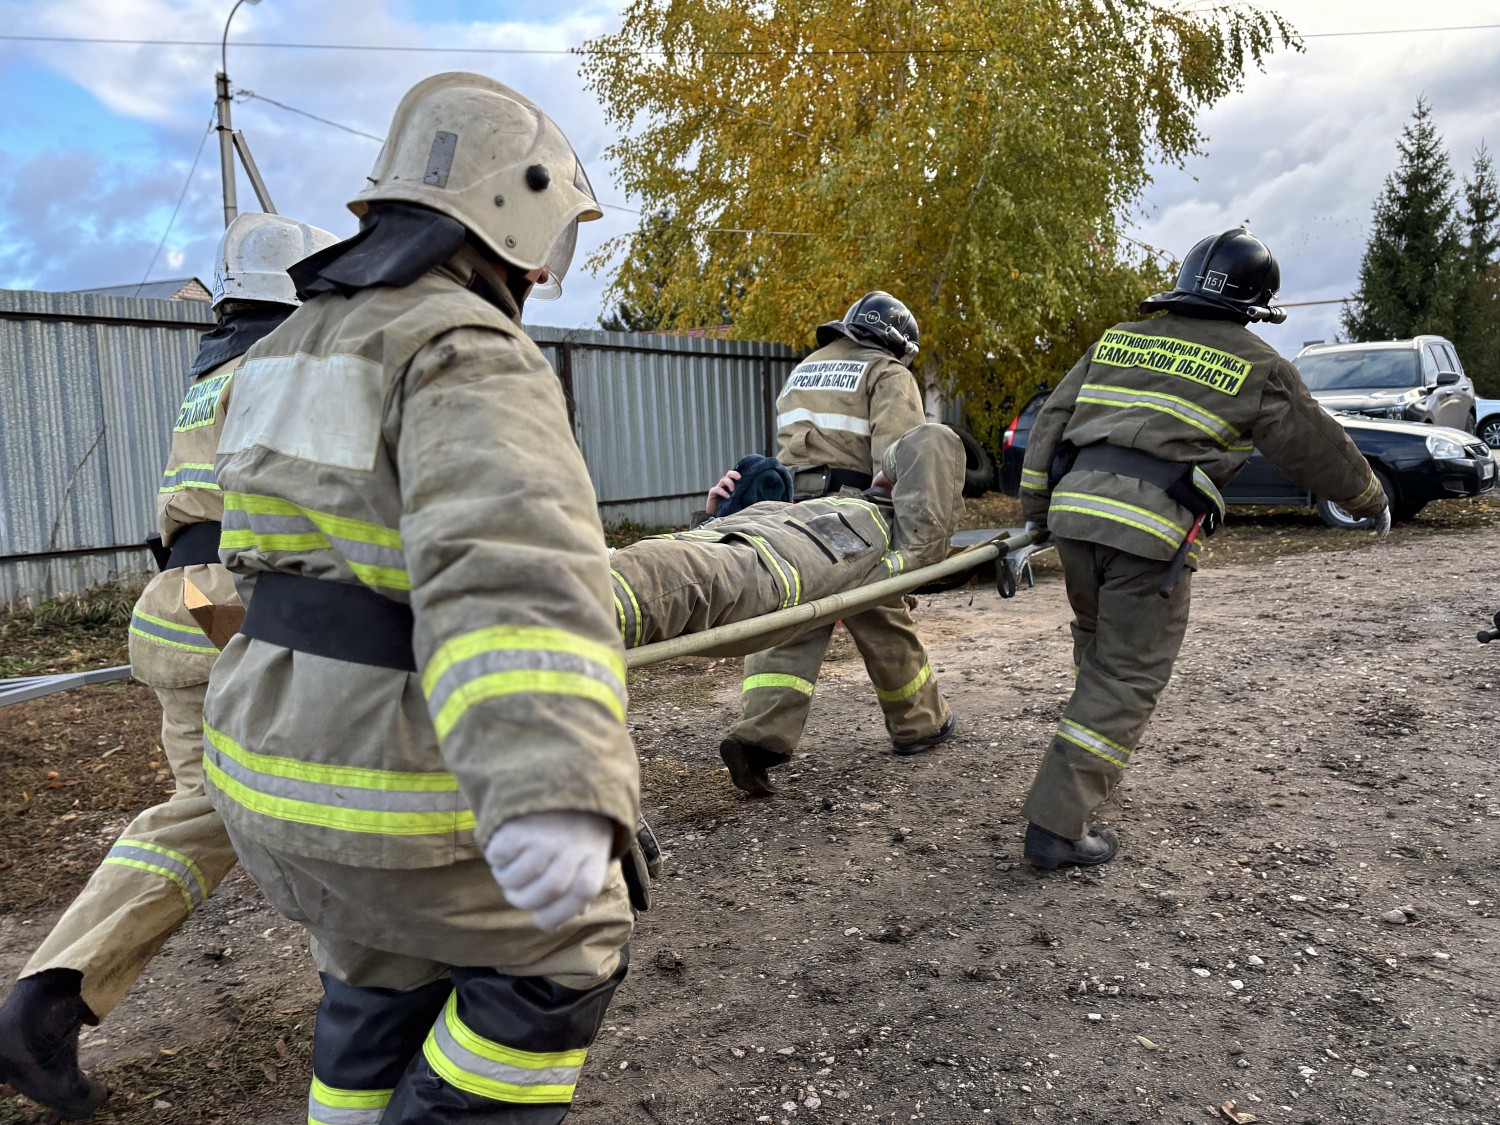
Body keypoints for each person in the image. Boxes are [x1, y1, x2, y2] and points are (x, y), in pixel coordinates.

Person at [200, 73, 639, 1123]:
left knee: (382, 970)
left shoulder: (287, 343)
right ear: (516, 202)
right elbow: (505, 562)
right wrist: (552, 783)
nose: (544, 271)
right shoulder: (463, 345)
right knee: (569, 949)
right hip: (395, 786)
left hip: (269, 767)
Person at [0, 212, 337, 1119]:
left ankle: (47, 1001)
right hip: (240, 594)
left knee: (214, 813)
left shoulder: (213, 363)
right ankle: (377, 994)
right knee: (331, 781)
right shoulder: (283, 362)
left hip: (182, 598)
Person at [1017, 228, 1390, 870]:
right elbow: (1314, 444)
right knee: (1127, 672)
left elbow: (1051, 421)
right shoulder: (1258, 363)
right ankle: (1057, 823)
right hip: (1150, 532)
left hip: (1076, 518)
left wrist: (1036, 517)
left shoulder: (1119, 339)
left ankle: (1092, 764)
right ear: (1256, 302)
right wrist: (1368, 498)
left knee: (1099, 646)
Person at [716, 293, 956, 798]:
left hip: (793, 510)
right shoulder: (888, 373)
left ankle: (759, 739)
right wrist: (908, 538)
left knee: (793, 616)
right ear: (898, 341)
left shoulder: (806, 368)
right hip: (851, 510)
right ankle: (920, 725)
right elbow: (900, 459)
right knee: (881, 607)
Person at [611, 423, 964, 652]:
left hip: (735, 572)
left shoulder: (905, 537)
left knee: (646, 572)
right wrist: (715, 515)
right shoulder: (839, 504)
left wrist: (886, 474)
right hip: (707, 548)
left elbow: (932, 439)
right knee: (634, 562)